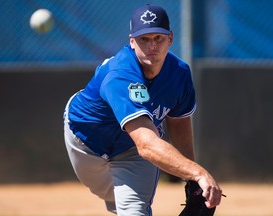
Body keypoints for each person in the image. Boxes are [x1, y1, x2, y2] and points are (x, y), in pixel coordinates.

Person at [63, 4, 222, 215]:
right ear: (131, 41)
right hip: (85, 142)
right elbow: (147, 144)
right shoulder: (120, 74)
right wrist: (198, 173)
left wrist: (190, 180)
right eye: (144, 39)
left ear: (171, 38)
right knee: (111, 195)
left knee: (134, 211)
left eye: (158, 38)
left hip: (130, 151)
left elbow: (178, 121)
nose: (151, 46)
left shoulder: (179, 73)